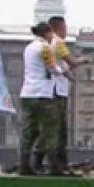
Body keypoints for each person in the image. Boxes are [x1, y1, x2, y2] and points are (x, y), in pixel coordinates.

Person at [19, 22, 66, 175]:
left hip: (27, 93)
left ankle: (24, 164)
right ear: (47, 33)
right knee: (51, 128)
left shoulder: (28, 47)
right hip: (42, 94)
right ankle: (37, 158)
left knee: (28, 129)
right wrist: (63, 71)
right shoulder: (44, 47)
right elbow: (52, 68)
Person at [47, 16, 91, 168]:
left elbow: (63, 68)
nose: (65, 31)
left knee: (57, 129)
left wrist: (69, 73)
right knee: (58, 130)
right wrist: (84, 60)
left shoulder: (48, 44)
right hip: (57, 91)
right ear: (58, 27)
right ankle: (58, 164)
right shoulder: (57, 42)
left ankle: (58, 163)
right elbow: (72, 61)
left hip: (55, 90)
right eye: (64, 28)